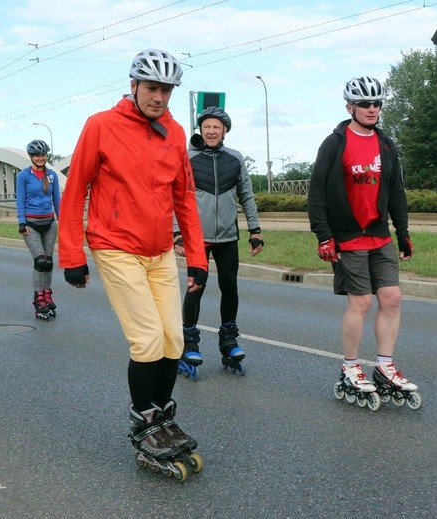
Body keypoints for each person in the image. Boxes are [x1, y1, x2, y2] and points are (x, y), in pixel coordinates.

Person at [58, 49, 208, 479]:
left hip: (160, 251)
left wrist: (197, 258)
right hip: (115, 245)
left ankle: (160, 416)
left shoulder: (176, 132)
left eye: (166, 90)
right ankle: (143, 417)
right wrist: (72, 255)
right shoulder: (101, 126)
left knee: (173, 340)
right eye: (152, 88)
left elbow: (184, 198)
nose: (159, 97)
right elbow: (76, 192)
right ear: (133, 86)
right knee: (146, 339)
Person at [308, 76, 420, 409]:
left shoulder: (386, 144)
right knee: (361, 303)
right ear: (350, 107)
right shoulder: (335, 143)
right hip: (347, 235)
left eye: (376, 104)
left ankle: (384, 367)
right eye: (364, 104)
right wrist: (324, 235)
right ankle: (351, 367)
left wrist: (403, 231)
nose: (372, 109)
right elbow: (316, 193)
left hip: (379, 233)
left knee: (392, 297)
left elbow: (396, 191)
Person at [174, 106, 264, 379]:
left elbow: (247, 196)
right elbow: (175, 196)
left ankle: (229, 340)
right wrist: (177, 232)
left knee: (229, 286)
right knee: (195, 288)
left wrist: (255, 230)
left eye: (217, 126)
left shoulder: (235, 159)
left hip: (227, 236)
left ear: (225, 130)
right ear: (201, 129)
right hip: (196, 236)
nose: (211, 131)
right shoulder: (187, 158)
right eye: (207, 126)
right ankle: (188, 343)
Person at [16, 139, 61, 320]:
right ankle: (38, 298)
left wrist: (62, 221)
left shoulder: (52, 176)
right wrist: (22, 222)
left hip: (49, 223)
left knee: (49, 262)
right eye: (36, 155)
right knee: (40, 262)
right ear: (31, 157)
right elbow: (19, 200)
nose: (40, 158)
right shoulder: (24, 176)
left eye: (42, 155)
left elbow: (57, 199)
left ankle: (47, 295)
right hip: (31, 224)